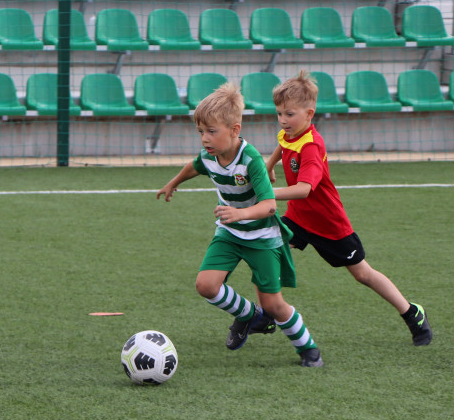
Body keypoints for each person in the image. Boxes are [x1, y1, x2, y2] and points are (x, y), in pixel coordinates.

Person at [157, 82, 324, 368]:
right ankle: (249, 316)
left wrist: (240, 213)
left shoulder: (251, 160)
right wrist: (174, 182)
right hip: (230, 234)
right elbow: (194, 166)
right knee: (206, 286)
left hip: (262, 237)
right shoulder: (209, 156)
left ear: (235, 130)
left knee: (274, 304)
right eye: (201, 132)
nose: (205, 139)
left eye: (212, 132)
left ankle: (308, 348)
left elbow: (270, 204)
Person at [264, 70, 432, 346]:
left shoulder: (312, 147)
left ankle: (412, 313)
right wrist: (270, 166)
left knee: (362, 274)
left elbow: (305, 190)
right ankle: (269, 311)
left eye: (289, 114)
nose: (283, 120)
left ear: (310, 113)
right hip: (299, 217)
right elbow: (282, 145)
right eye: (279, 114)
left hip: (329, 224)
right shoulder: (291, 132)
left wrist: (267, 193)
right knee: (270, 248)